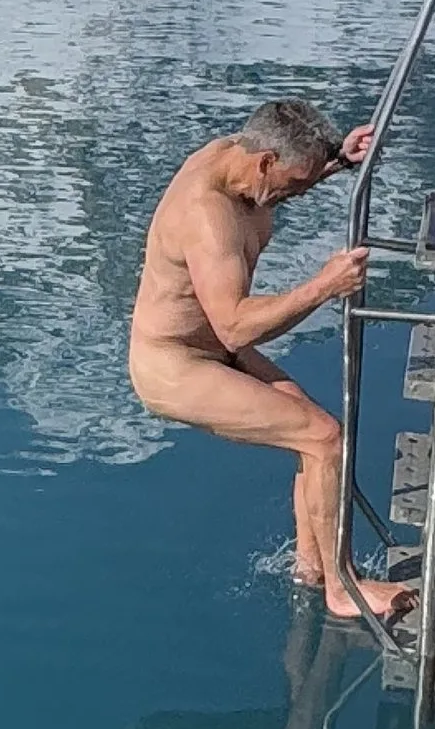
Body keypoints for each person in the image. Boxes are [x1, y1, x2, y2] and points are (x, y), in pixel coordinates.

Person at [129, 99, 408, 626]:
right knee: (323, 437)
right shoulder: (208, 216)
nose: (293, 195)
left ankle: (311, 566)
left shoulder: (238, 159)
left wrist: (336, 162)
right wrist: (324, 287)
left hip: (214, 344)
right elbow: (234, 324)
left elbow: (286, 156)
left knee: (310, 425)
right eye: (292, 185)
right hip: (175, 364)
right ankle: (342, 589)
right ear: (264, 163)